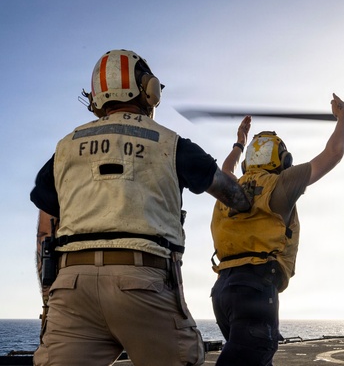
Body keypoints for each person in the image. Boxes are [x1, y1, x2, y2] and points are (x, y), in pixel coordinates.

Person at [30, 49, 251, 366]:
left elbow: (44, 234)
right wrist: (244, 162)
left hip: (71, 289)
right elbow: (233, 195)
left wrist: (50, 298)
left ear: (97, 98)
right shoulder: (171, 144)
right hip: (143, 281)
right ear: (149, 89)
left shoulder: (64, 150)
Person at [210, 93, 344, 365]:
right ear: (282, 160)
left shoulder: (228, 185)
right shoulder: (282, 184)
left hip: (222, 291)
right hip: (255, 289)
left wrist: (239, 141)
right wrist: (343, 117)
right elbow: (334, 153)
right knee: (251, 356)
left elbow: (228, 167)